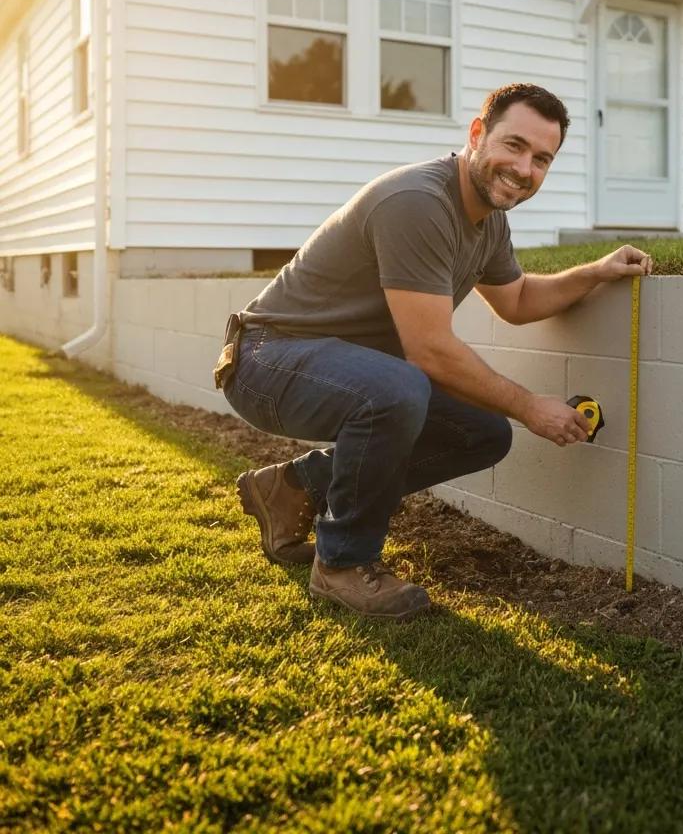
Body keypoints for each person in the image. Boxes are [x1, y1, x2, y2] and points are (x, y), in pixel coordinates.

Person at [215, 83, 652, 620]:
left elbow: (515, 300)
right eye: (514, 145)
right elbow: (429, 351)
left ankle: (291, 487)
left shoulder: (488, 222)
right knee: (400, 389)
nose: (524, 168)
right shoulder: (419, 202)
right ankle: (344, 564)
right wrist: (530, 406)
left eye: (542, 159)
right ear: (476, 134)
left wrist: (597, 272)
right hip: (266, 359)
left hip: (335, 365)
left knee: (482, 432)